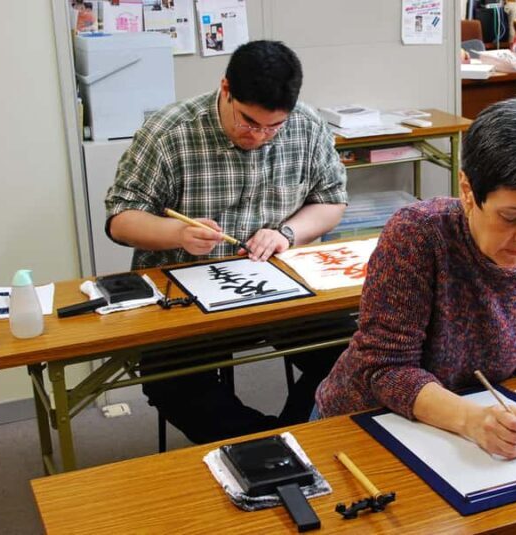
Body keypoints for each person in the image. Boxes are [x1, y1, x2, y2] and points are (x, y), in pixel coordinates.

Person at [105, 40, 352, 444]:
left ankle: (295, 438)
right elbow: (120, 219)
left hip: (277, 286)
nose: (260, 136)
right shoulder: (170, 132)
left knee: (352, 356)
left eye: (274, 127)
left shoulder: (306, 125)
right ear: (225, 89)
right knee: (172, 385)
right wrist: (178, 233)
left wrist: (286, 233)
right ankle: (269, 444)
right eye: (249, 122)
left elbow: (331, 201)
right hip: (184, 297)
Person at [315, 97, 516, 459]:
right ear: (468, 191)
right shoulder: (419, 234)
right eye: (510, 216)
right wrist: (472, 420)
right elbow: (385, 368)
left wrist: (510, 423)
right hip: (368, 423)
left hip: (468, 437)